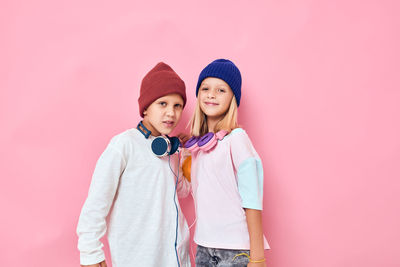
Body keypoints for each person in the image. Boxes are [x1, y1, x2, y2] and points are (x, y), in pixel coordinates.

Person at [77, 62, 191, 267]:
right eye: (162, 104)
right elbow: (96, 202)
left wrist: (188, 155)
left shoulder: (171, 152)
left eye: (177, 106)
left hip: (175, 258)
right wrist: (90, 251)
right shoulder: (125, 144)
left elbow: (182, 191)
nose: (171, 113)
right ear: (146, 107)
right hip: (138, 258)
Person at [185, 59, 270, 266]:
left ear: (233, 97)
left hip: (234, 251)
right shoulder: (197, 147)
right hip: (203, 247)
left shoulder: (237, 139)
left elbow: (252, 202)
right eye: (205, 88)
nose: (211, 94)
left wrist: (257, 257)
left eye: (221, 90)